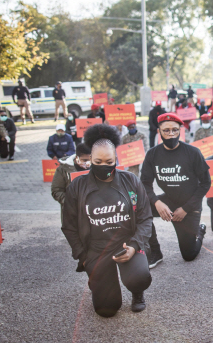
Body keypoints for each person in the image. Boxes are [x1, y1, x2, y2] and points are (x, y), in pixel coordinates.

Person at [61, 125, 153, 317]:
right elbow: (69, 226)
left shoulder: (131, 181)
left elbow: (145, 218)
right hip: (96, 247)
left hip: (126, 243)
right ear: (90, 160)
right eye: (98, 161)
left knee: (139, 277)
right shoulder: (77, 186)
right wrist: (83, 257)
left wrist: (134, 246)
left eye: (109, 161)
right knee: (107, 310)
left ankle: (137, 292)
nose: (104, 165)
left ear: (116, 159)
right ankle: (98, 280)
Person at [141, 113, 210, 267]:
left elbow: (205, 183)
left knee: (189, 255)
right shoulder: (152, 154)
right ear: (159, 132)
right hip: (168, 200)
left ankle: (199, 231)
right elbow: (144, 183)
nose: (171, 134)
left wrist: (186, 209)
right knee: (138, 209)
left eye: (175, 130)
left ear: (180, 130)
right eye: (166, 130)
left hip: (189, 205)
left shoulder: (193, 152)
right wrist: (157, 202)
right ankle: (155, 252)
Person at [51, 142, 91, 222]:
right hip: (72, 214)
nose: (88, 163)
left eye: (90, 159)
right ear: (77, 157)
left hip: (92, 213)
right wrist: (69, 202)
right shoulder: (63, 169)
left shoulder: (96, 166)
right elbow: (56, 191)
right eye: (84, 160)